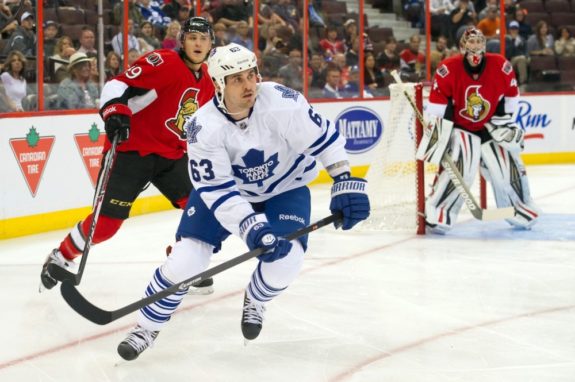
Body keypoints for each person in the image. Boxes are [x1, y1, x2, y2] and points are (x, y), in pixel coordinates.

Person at [115, 42, 370, 361]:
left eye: (251, 75)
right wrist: (251, 227)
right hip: (225, 195)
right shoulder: (202, 126)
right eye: (237, 79)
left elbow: (325, 140)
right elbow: (218, 190)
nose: (249, 84)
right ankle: (146, 328)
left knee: (287, 260)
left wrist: (344, 179)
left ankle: (256, 299)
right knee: (187, 259)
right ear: (219, 84)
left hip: (285, 187)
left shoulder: (281, 101)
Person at [40, 17, 217, 294]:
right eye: (192, 37)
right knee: (107, 226)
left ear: (210, 45)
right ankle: (61, 255)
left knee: (200, 208)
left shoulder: (208, 80)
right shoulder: (164, 61)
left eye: (203, 38)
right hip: (132, 150)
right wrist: (115, 113)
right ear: (182, 40)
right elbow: (117, 85)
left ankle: (182, 264)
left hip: (171, 155)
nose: (197, 43)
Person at [423, 26, 540, 234]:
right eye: (471, 42)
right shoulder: (447, 68)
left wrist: (505, 125)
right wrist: (440, 140)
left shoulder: (500, 65)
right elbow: (438, 110)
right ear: (462, 45)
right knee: (463, 167)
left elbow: (511, 99)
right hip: (460, 126)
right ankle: (439, 209)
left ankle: (519, 207)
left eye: (479, 42)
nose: (476, 46)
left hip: (489, 124)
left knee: (505, 164)